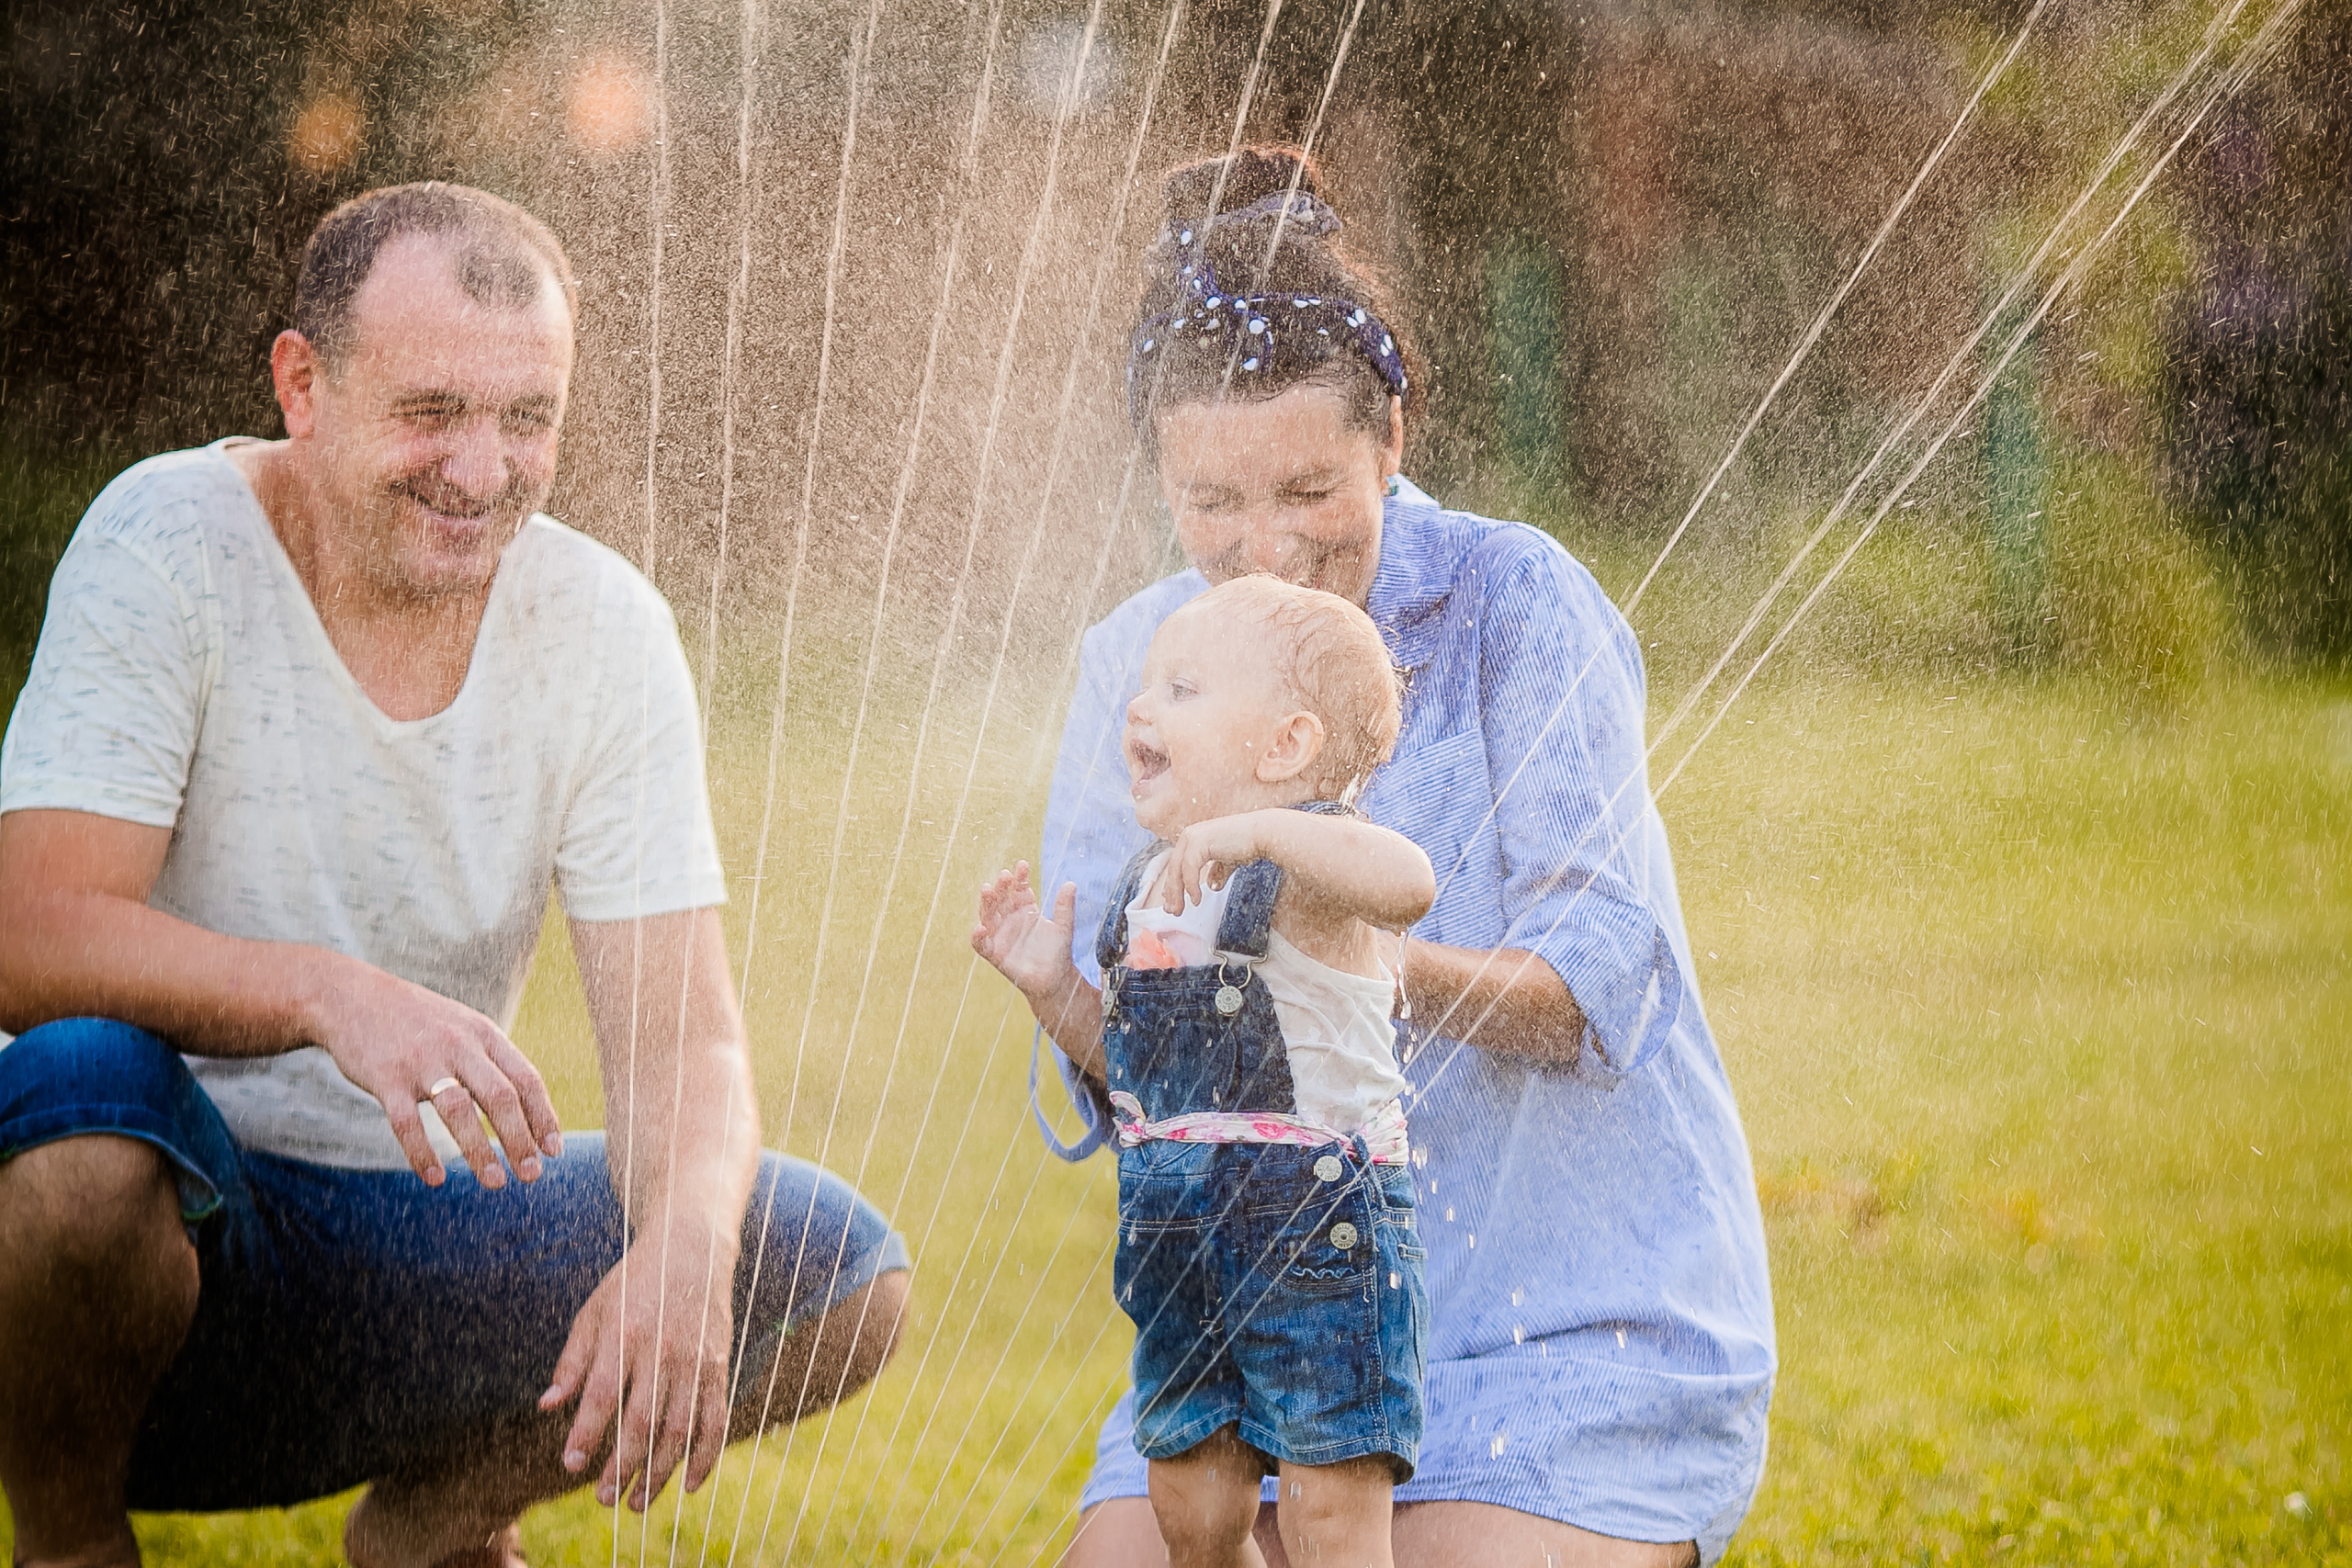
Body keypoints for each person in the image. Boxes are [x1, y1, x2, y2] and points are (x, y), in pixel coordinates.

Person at [0, 183, 910, 1568]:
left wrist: (681, 1245)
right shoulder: (167, 540)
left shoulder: (603, 625)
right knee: (79, 1092)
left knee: (836, 1267)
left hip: (412, 1249)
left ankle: (432, 1525)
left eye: (527, 418)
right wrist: (326, 995)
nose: (482, 471)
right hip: (152, 1260)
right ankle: (70, 1542)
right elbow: (28, 928)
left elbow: (688, 1034)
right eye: (432, 411)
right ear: (304, 385)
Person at [1035, 148, 1776, 1568]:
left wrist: (1361, 956)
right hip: (1259, 1322)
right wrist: (1076, 990)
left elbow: (1598, 987)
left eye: (1311, 488)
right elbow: (1109, 1063)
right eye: (1211, 505)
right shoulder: (1134, 660)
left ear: (1393, 437)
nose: (1263, 550)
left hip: (1563, 1324)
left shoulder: (1515, 602)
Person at [975, 575, 1434, 1568]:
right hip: (1183, 1253)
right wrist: (1055, 992)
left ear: (1286, 748)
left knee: (1327, 1512)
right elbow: (1141, 1076)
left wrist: (1266, 833)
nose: (1142, 709)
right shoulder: (1148, 892)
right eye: (1147, 690)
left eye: (1181, 690)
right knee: (1190, 1505)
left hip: (1323, 1238)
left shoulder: (1317, 869)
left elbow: (1412, 886)